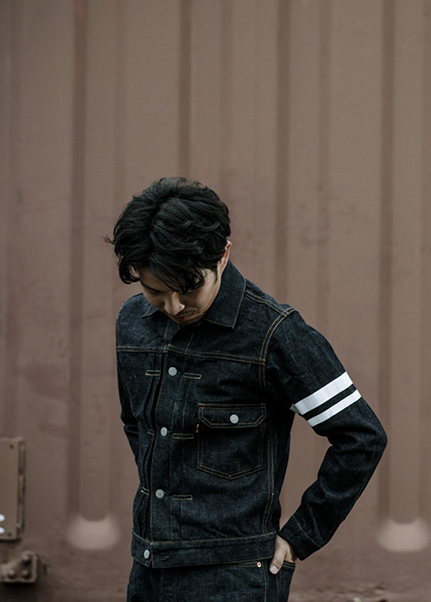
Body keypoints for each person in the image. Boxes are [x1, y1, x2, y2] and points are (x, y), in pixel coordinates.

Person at [107, 177, 387, 601]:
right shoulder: (132, 324)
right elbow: (137, 424)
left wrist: (301, 535)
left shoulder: (275, 333)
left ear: (223, 256)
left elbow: (361, 437)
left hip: (235, 578)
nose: (175, 307)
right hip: (148, 569)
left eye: (190, 288)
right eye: (156, 292)